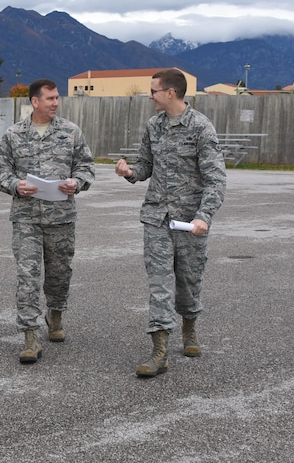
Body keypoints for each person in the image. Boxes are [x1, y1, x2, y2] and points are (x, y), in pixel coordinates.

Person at [115, 68, 226, 378]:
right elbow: (145, 166)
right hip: (156, 218)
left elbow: (216, 180)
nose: (150, 96)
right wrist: (129, 173)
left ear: (170, 93)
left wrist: (203, 217)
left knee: (188, 285)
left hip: (189, 223)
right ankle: (159, 350)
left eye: (154, 91)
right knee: (160, 285)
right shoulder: (154, 126)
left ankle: (189, 327)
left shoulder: (201, 128)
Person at [0, 79, 96, 364]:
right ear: (34, 102)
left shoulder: (71, 132)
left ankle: (56, 314)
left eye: (57, 98)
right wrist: (16, 185)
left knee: (59, 275)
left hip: (61, 218)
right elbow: (1, 173)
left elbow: (87, 167)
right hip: (26, 218)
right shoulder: (13, 135)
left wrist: (77, 182)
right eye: (49, 98)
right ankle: (29, 336)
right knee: (27, 277)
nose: (55, 103)